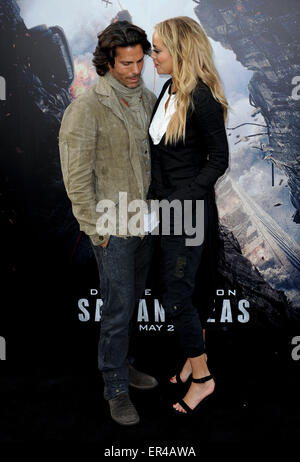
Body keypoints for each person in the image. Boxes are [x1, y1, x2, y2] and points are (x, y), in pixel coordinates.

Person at [59, 21, 158, 426]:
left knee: (131, 303)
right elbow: (76, 177)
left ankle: (127, 366)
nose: (135, 71)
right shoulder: (86, 107)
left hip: (145, 225)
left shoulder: (149, 98)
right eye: (126, 64)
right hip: (112, 230)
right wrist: (95, 230)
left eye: (139, 62)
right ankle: (115, 388)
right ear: (108, 62)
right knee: (117, 311)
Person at [147, 16, 229, 415]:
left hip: (188, 212)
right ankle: (190, 361)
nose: (151, 56)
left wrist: (184, 198)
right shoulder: (167, 89)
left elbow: (219, 160)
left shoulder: (202, 99)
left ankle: (203, 379)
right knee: (186, 290)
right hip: (166, 211)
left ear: (179, 51)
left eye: (157, 49)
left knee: (176, 293)